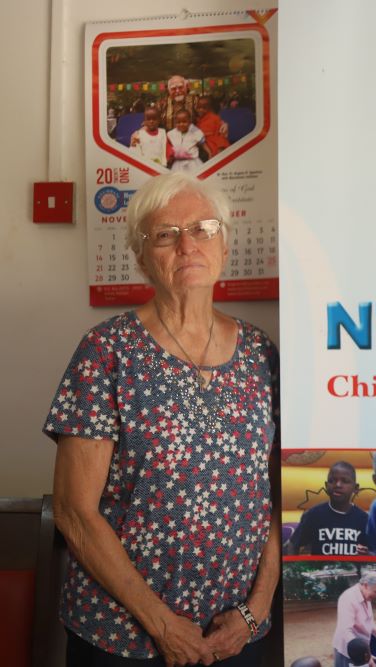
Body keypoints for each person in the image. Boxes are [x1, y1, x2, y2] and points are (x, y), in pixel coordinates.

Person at [44, 173, 280, 665]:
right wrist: (161, 622)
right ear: (141, 256)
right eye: (166, 234)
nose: (187, 245)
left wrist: (255, 610)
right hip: (123, 637)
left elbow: (279, 495)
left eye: (203, 228)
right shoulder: (106, 352)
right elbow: (74, 511)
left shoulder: (262, 354)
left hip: (236, 636)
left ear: (225, 243)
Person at [287, 461, 368, 555]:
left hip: (352, 569)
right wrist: (294, 566)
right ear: (326, 486)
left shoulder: (364, 519)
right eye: (332, 481)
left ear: (356, 488)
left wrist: (368, 554)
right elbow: (293, 545)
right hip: (319, 569)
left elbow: (374, 551)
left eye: (345, 481)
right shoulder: (313, 515)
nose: (337, 485)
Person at [333, 571, 376, 667]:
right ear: (366, 585)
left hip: (362, 651)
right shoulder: (348, 598)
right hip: (348, 651)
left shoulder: (366, 597)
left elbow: (370, 623)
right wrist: (366, 657)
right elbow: (346, 631)